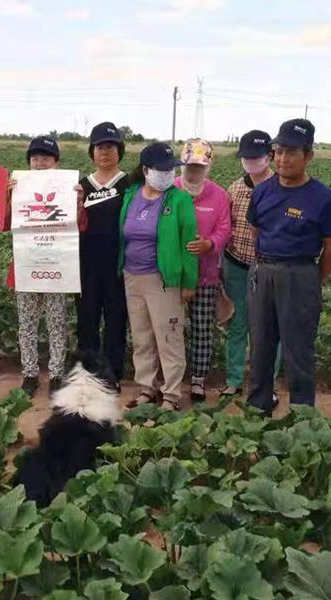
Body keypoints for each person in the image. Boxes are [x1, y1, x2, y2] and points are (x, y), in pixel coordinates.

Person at [246, 119, 331, 416]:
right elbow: (255, 231)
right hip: (264, 272)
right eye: (279, 151)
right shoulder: (262, 191)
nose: (283, 159)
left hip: (301, 274)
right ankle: (258, 409)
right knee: (261, 348)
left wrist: (312, 278)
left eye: (292, 152)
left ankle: (302, 416)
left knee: (298, 351)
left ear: (308, 155)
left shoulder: (322, 197)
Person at [6, 136, 87, 397]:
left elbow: (81, 226)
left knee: (56, 322)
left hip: (57, 268)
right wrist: (9, 196)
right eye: (35, 158)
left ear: (57, 163)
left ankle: (56, 375)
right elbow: (5, 222)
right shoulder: (18, 189)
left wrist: (77, 203)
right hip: (26, 266)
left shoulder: (69, 190)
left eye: (45, 158)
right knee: (27, 324)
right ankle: (29, 374)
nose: (39, 163)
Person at [120, 142, 198, 411]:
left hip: (163, 279)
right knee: (141, 337)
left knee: (169, 336)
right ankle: (146, 388)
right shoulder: (131, 195)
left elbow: (190, 245)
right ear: (145, 170)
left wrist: (188, 282)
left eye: (170, 169)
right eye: (161, 169)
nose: (167, 174)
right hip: (132, 276)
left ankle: (172, 394)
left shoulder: (180, 200)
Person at [223, 131, 282, 401]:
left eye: (255, 157)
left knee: (269, 328)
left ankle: (267, 384)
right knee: (237, 324)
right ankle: (233, 380)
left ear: (269, 156)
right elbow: (227, 228)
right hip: (236, 265)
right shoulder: (235, 189)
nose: (250, 162)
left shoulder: (282, 186)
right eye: (245, 157)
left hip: (269, 268)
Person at [173, 138, 231, 403]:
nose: (193, 171)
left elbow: (224, 228)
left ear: (208, 167)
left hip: (206, 275)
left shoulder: (219, 195)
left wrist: (210, 244)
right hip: (173, 275)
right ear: (181, 165)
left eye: (199, 166)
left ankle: (198, 380)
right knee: (171, 327)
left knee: (201, 328)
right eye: (189, 166)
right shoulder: (170, 190)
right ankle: (171, 377)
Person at [77, 122, 131, 383]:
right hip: (85, 264)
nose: (105, 152)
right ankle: (87, 372)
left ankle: (112, 374)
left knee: (115, 320)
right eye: (99, 147)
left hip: (118, 264)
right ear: (92, 152)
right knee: (86, 319)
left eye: (110, 146)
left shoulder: (129, 185)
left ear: (119, 150)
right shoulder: (80, 187)